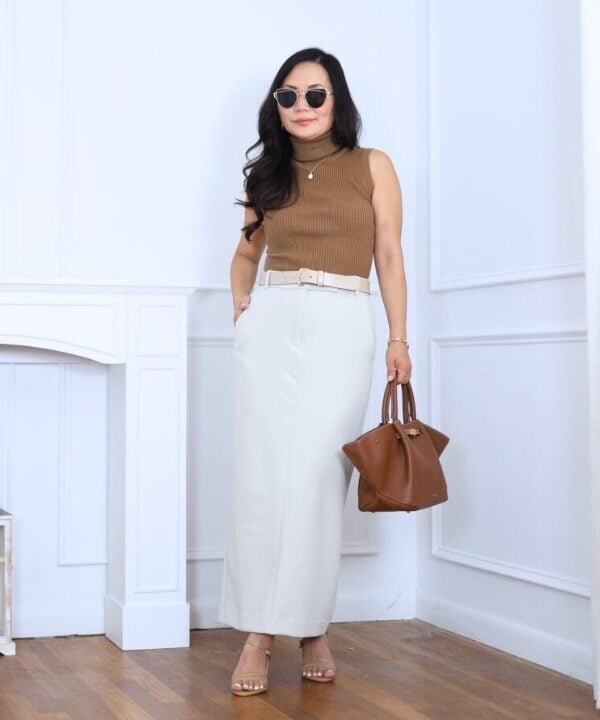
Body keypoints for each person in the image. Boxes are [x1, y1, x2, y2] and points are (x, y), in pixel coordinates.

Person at [217, 47, 412, 697]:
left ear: (338, 101)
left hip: (342, 318)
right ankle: (258, 634)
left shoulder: (372, 165)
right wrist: (243, 304)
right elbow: (245, 256)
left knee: (318, 479)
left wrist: (399, 337)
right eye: (289, 96)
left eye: (315, 94)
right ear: (276, 106)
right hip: (272, 322)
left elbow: (388, 254)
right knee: (262, 478)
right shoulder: (267, 175)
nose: (302, 106)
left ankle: (311, 627)